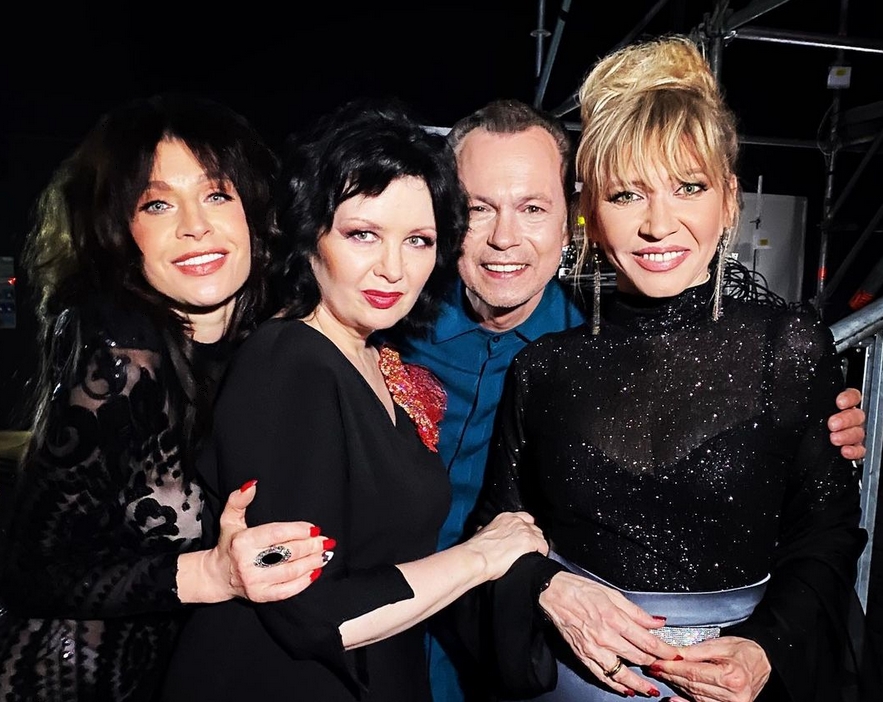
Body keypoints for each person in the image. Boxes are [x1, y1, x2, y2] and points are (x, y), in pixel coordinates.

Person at [390, 97, 868, 701]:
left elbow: (818, 525)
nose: (505, 238)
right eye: (479, 208)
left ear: (570, 218)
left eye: (532, 207)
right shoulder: (383, 327)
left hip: (506, 665)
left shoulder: (566, 354)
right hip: (378, 634)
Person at [159, 98, 549, 702]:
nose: (393, 268)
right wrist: (481, 557)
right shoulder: (289, 361)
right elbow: (312, 613)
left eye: (418, 240)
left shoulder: (376, 357)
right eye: (363, 234)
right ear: (310, 234)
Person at [0, 93, 334, 702]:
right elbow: (32, 570)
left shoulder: (278, 341)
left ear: (253, 211)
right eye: (157, 204)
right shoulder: (119, 351)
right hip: (77, 679)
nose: (194, 225)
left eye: (216, 195)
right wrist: (210, 573)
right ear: (120, 231)